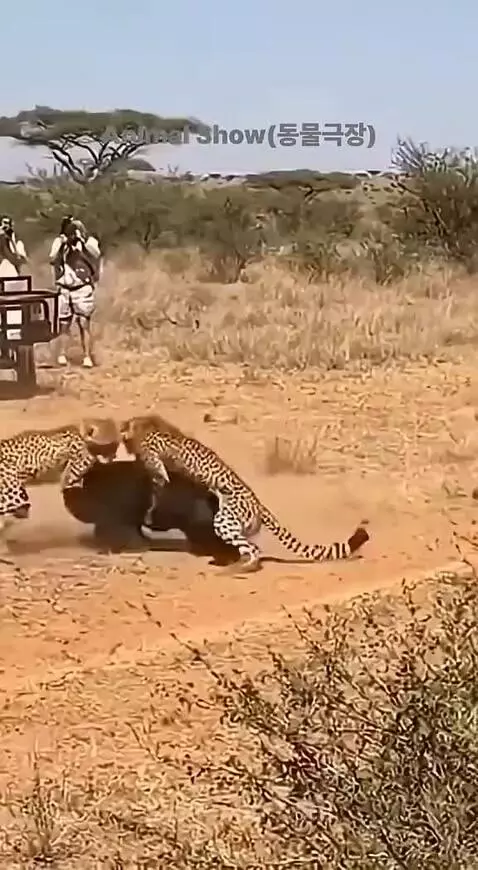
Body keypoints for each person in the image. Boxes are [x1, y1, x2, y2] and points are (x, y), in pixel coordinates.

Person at [49, 215, 102, 368]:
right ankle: (61, 354)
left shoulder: (89, 241)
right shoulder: (59, 242)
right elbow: (52, 258)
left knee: (84, 322)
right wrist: (62, 244)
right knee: (64, 323)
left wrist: (81, 241)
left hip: (82, 287)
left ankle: (87, 356)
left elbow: (96, 254)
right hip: (65, 288)